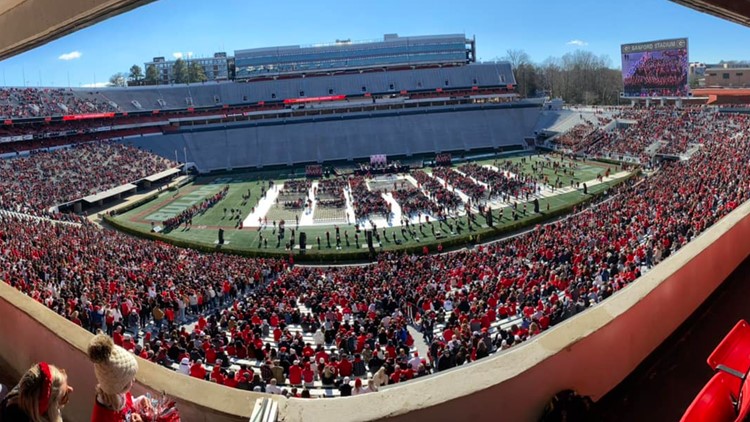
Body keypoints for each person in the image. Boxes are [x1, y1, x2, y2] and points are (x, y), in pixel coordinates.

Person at [88, 332, 149, 422]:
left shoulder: (119, 393)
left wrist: (139, 401)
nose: (134, 380)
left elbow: (128, 404)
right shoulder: (101, 418)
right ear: (120, 386)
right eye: (129, 379)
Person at [0, 362, 73, 422]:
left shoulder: (16, 398)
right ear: (50, 409)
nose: (71, 389)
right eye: (64, 396)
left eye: (62, 372)